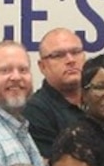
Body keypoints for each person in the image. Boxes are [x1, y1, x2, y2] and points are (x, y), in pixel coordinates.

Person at [24, 26, 87, 158]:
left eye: (75, 52)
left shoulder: (96, 100)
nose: (70, 60)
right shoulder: (35, 110)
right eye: (58, 55)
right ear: (42, 66)